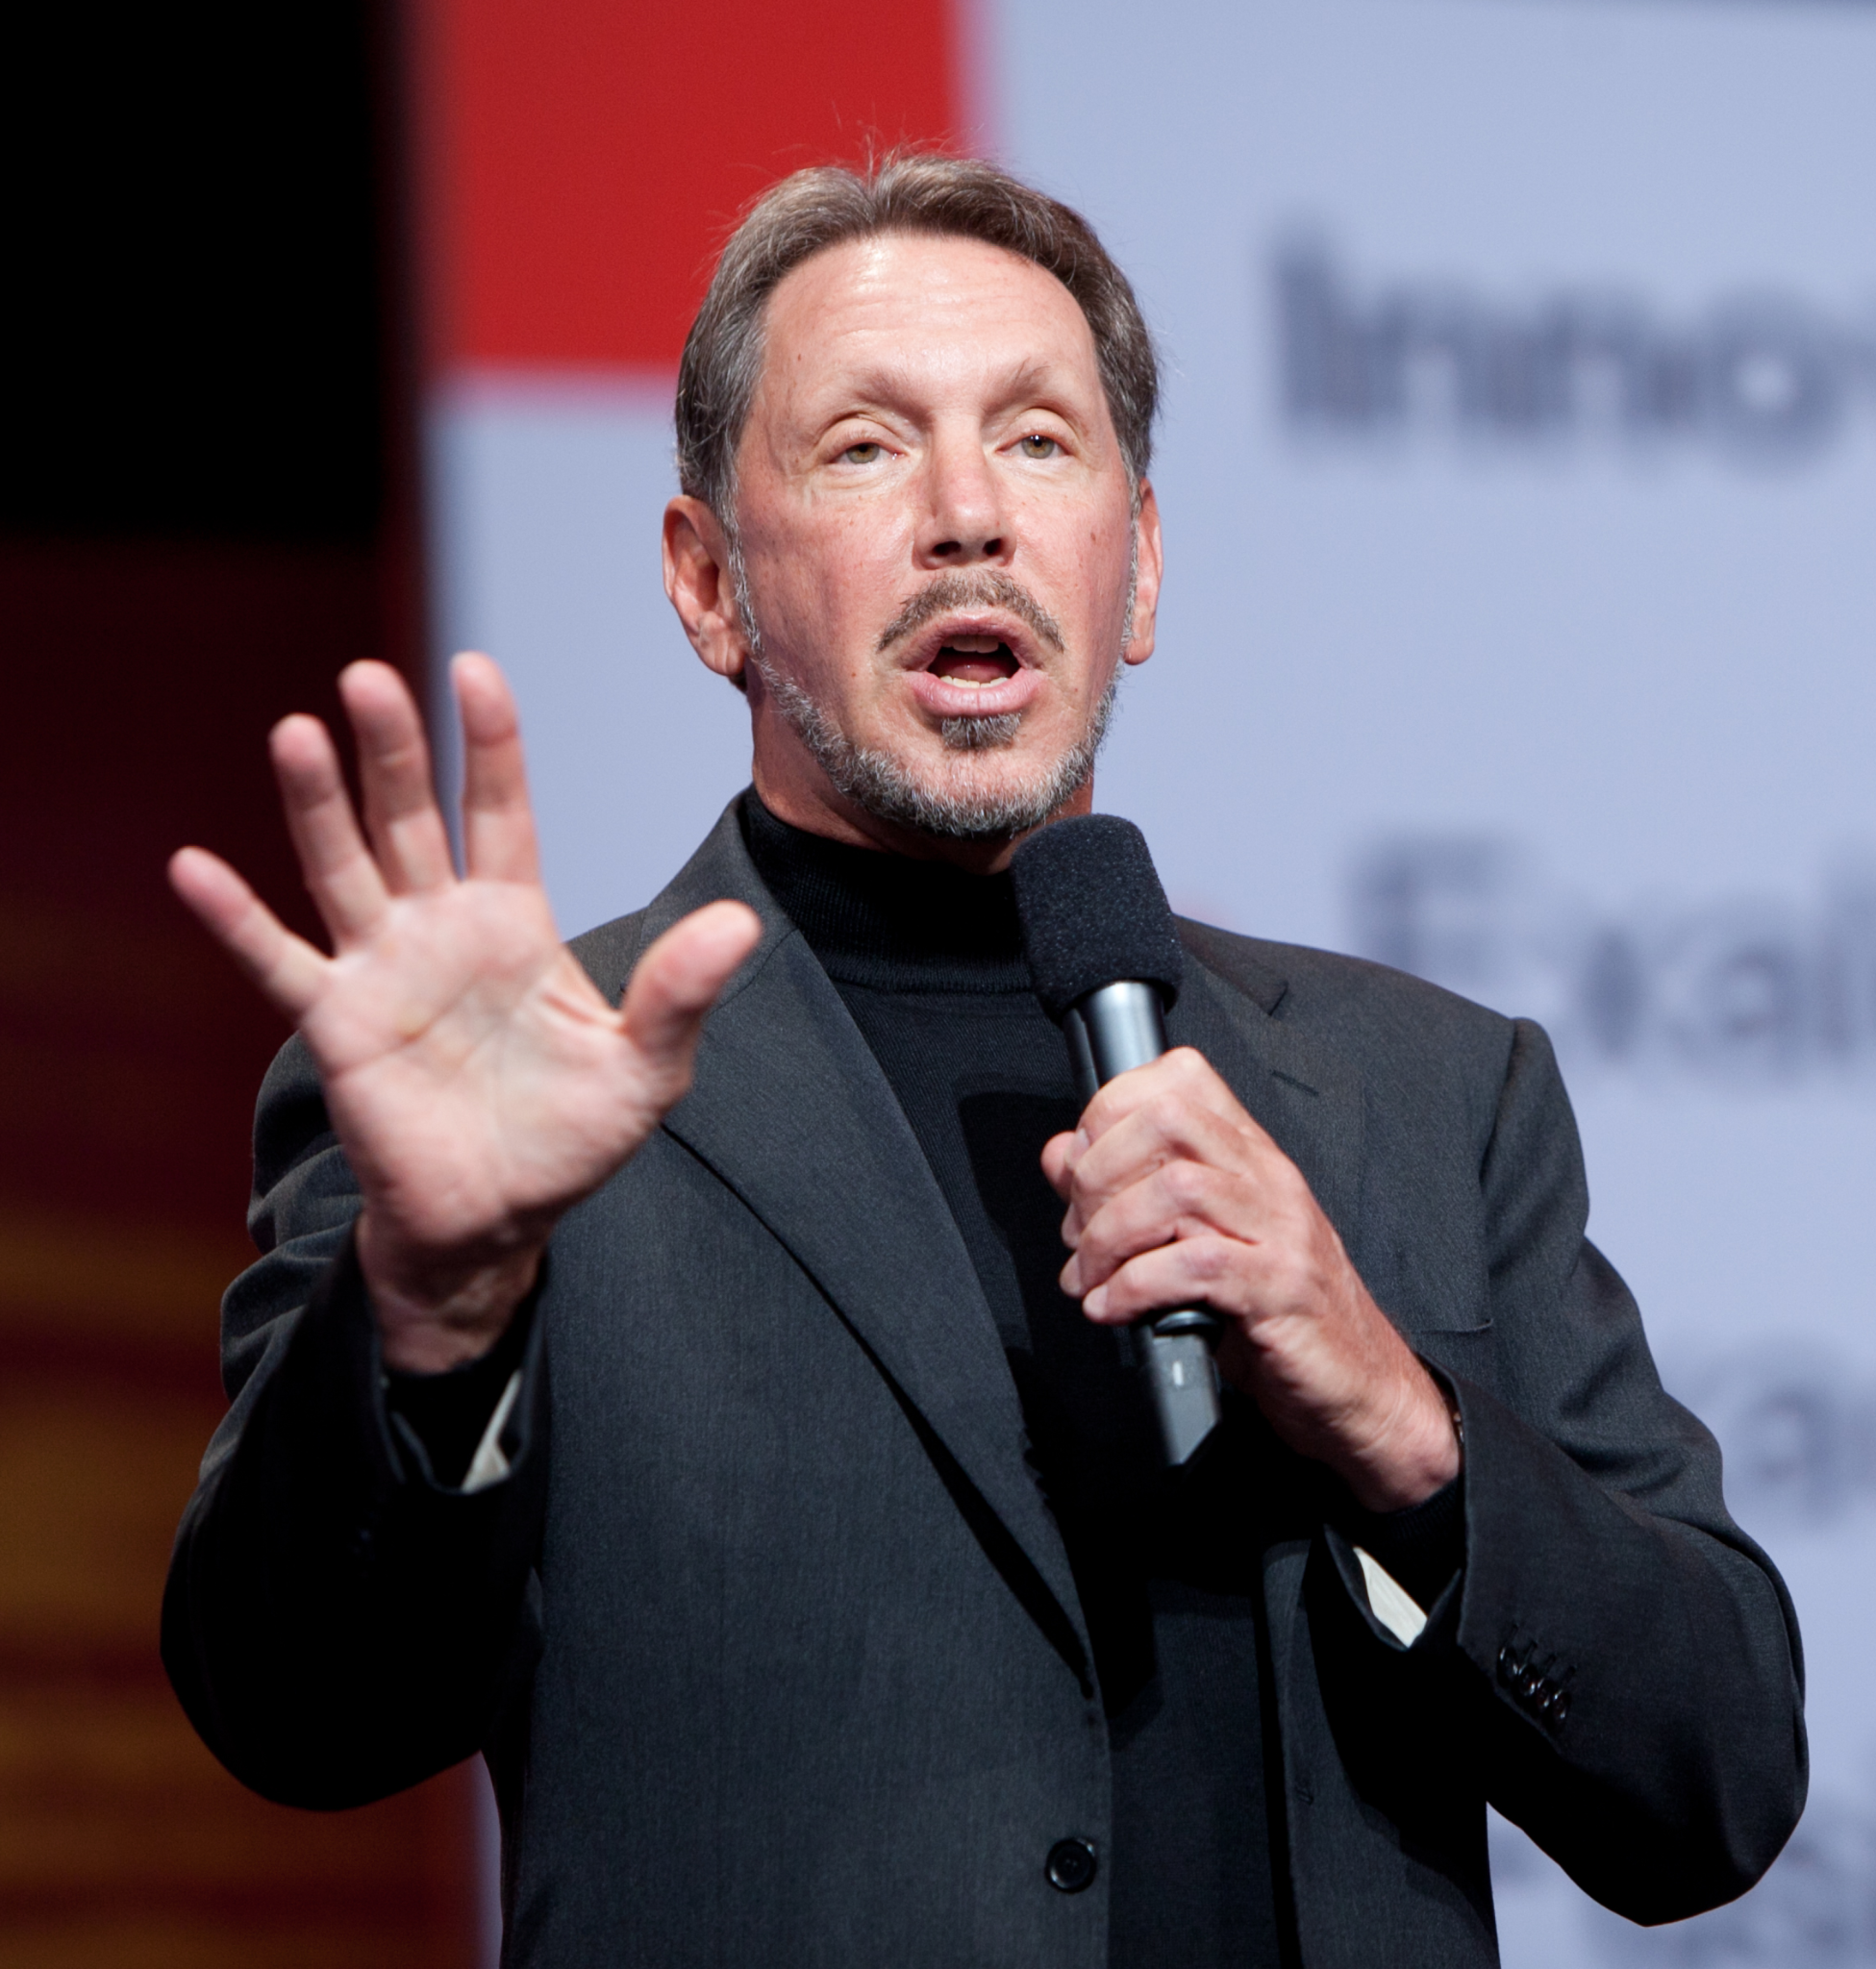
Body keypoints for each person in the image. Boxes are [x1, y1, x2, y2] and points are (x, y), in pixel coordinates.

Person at [162, 154, 1804, 1968]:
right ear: (708, 586)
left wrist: (1393, 1419)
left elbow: (1714, 1786)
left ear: (1143, 562)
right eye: (864, 446)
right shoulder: (520, 1101)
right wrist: (438, 1298)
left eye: (1038, 442)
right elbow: (297, 1713)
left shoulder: (1428, 1090)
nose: (969, 515)